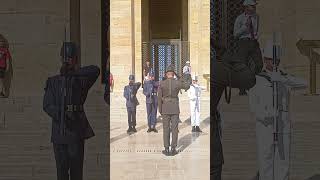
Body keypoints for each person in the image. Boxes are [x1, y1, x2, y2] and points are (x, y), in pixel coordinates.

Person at [249, 40, 307, 180]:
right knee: (266, 160)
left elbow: (304, 83)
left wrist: (281, 79)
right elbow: (253, 106)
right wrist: (267, 114)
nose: (273, 63)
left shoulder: (284, 77)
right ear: (265, 60)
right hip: (265, 125)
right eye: (270, 60)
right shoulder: (257, 79)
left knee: (283, 160)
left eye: (276, 60)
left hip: (283, 124)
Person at [43, 42, 100, 180]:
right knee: (61, 171)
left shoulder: (81, 80)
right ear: (61, 59)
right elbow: (47, 105)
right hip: (60, 129)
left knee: (76, 171)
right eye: (65, 58)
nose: (67, 61)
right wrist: (59, 113)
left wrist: (73, 73)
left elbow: (96, 70)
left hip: (76, 130)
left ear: (75, 60)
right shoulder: (53, 81)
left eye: (70, 58)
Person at [158, 64, 192, 156]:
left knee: (166, 129)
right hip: (175, 108)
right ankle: (173, 148)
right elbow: (187, 86)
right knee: (174, 129)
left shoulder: (162, 83)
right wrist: (186, 76)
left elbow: (159, 98)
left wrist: (161, 110)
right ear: (173, 74)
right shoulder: (177, 83)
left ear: (166, 74)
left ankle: (166, 148)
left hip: (165, 108)